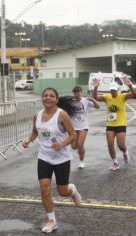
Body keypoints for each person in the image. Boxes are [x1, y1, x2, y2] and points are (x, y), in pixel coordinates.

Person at [22, 87, 81, 233]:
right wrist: (28, 140)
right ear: (42, 98)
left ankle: (72, 190)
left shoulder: (62, 115)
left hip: (61, 158)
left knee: (62, 191)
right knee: (44, 188)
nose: (48, 98)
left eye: (52, 96)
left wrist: (61, 144)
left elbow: (73, 135)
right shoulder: (37, 115)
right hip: (44, 157)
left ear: (56, 100)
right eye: (45, 95)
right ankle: (52, 220)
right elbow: (36, 132)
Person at [93, 77, 135, 171]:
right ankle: (115, 162)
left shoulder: (122, 96)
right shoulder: (107, 97)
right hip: (110, 125)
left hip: (121, 124)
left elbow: (133, 94)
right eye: (111, 91)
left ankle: (125, 152)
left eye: (114, 90)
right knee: (110, 144)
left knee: (121, 145)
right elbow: (96, 97)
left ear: (117, 90)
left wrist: (130, 86)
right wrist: (95, 88)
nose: (113, 92)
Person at [70, 86, 100, 169]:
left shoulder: (85, 101)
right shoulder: (71, 102)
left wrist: (93, 99)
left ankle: (81, 161)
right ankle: (80, 150)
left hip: (83, 126)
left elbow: (98, 107)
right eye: (75, 92)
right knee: (74, 146)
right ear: (73, 93)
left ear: (81, 93)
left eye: (78, 92)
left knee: (80, 144)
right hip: (73, 127)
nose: (77, 94)